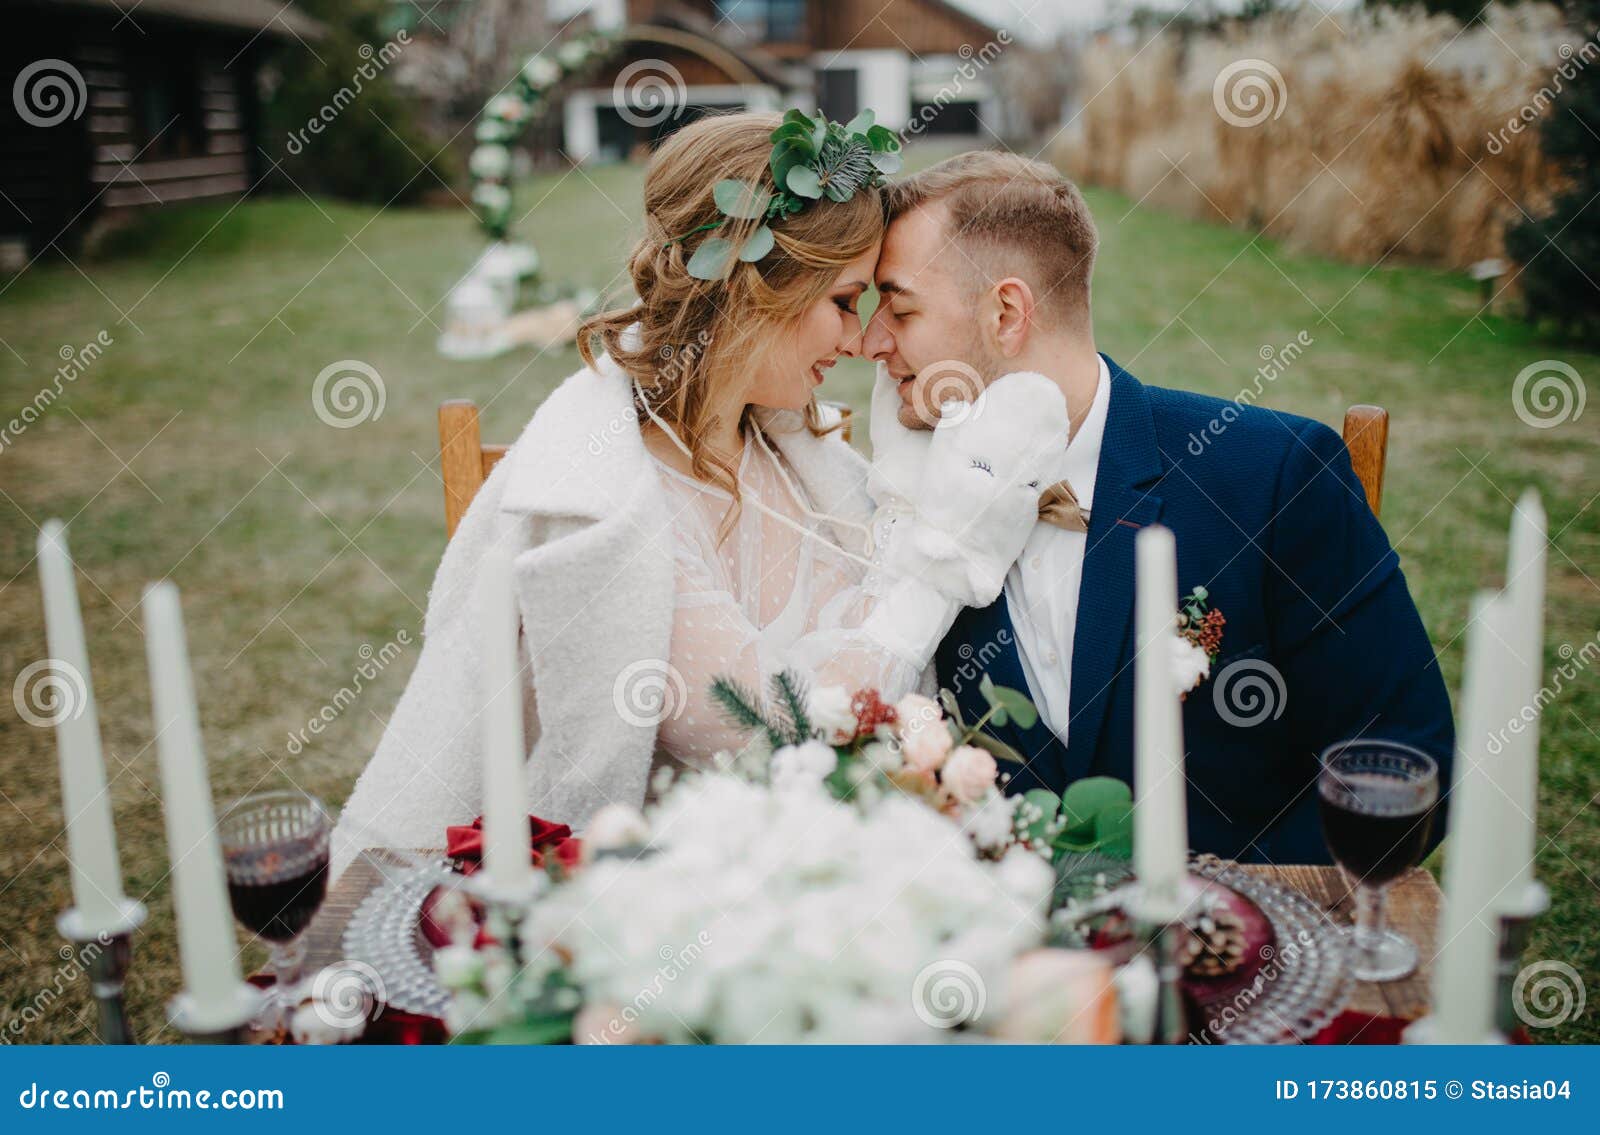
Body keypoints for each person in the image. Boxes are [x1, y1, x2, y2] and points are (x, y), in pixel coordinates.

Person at [329, 114, 1045, 878]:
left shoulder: (792, 447)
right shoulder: (617, 509)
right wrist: (941, 568)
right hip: (666, 898)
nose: (859, 340)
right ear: (751, 292)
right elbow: (773, 731)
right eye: (842, 300)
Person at [863, 150, 1455, 864]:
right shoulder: (905, 507)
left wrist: (1228, 916)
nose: (872, 342)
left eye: (899, 309)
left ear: (1006, 313)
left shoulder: (1271, 477)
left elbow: (1406, 758)